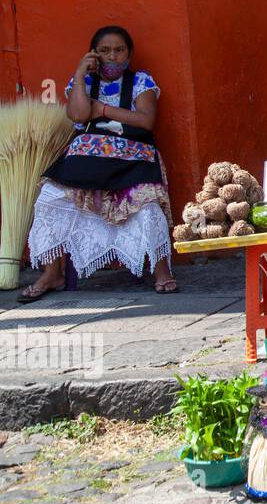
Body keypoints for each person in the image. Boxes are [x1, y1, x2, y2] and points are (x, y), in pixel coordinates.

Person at [22, 26, 176, 301]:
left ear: (129, 54)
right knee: (49, 198)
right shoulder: (84, 83)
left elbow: (145, 121)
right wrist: (81, 74)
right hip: (87, 163)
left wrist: (102, 110)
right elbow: (79, 115)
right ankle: (52, 273)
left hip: (132, 161)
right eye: (104, 51)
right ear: (94, 54)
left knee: (148, 205)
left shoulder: (141, 82)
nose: (112, 56)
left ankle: (161, 269)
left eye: (119, 50)